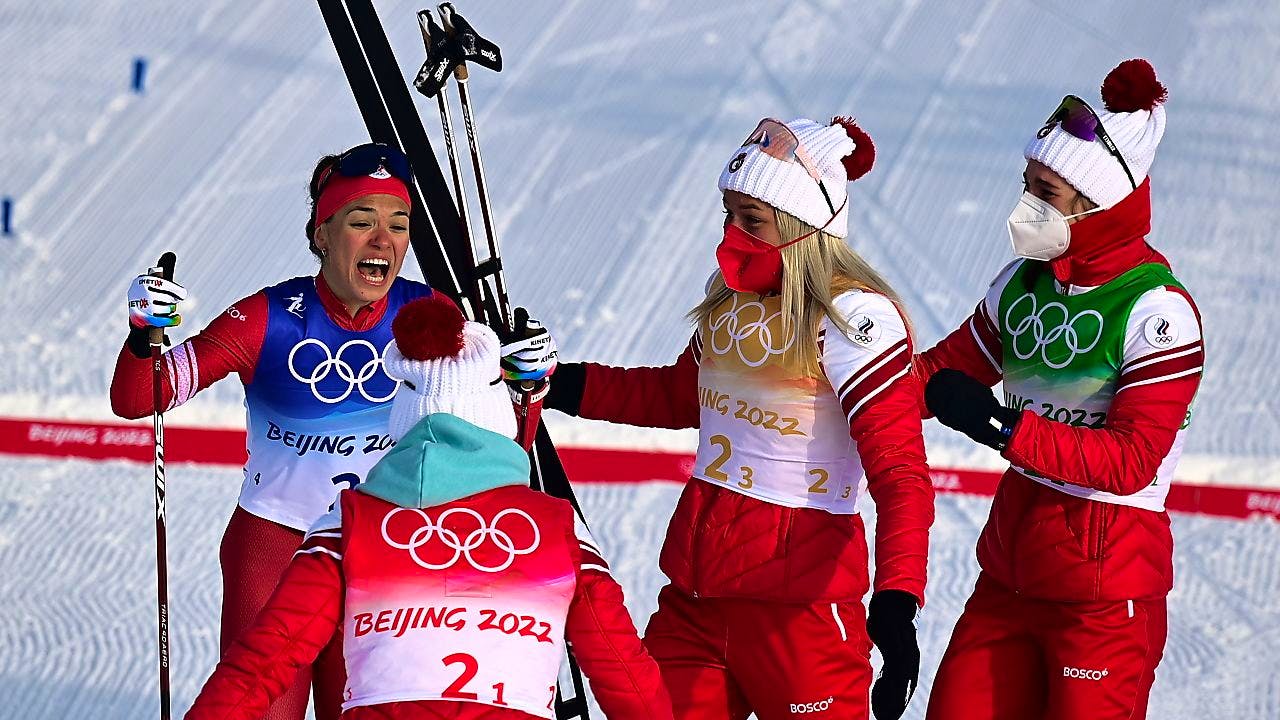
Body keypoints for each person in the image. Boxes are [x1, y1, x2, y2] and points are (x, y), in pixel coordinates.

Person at [543, 117, 934, 720]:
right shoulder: (729, 300)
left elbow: (900, 474)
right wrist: (559, 382)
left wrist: (897, 602)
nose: (732, 235)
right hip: (697, 602)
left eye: (752, 221)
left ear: (805, 227)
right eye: (728, 216)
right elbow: (679, 396)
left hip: (800, 617)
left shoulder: (853, 322)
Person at [183, 293, 673, 720]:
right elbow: (622, 669)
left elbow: (266, 658)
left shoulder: (348, 520)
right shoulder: (557, 527)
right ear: (495, 415)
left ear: (403, 420)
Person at [917, 59, 1202, 720]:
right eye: (1027, 186)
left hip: (1103, 595)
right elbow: (936, 374)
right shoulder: (1023, 283)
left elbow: (1131, 461)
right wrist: (823, 390)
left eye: (1045, 192)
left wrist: (1000, 427)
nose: (1027, 206)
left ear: (1098, 200)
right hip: (1009, 578)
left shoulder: (1157, 312)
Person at [112, 143, 432, 720]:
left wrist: (528, 385)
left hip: (382, 555)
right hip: (275, 549)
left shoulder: (428, 315)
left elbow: (499, 433)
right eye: (361, 221)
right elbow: (140, 397)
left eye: (398, 225)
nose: (382, 241)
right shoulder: (268, 317)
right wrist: (143, 334)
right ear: (322, 234)